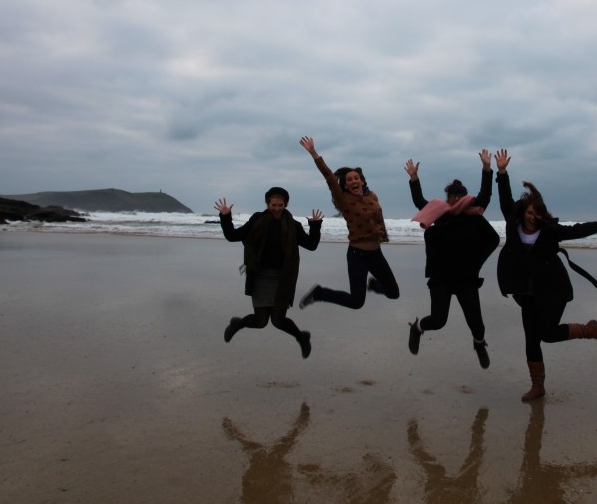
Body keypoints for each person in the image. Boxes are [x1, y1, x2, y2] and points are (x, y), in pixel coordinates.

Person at [494, 149, 597, 401]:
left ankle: (589, 330)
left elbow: (577, 230)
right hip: (526, 292)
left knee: (546, 333)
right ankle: (538, 386)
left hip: (553, 290)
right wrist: (501, 173)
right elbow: (504, 200)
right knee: (531, 339)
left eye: (537, 214)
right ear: (524, 212)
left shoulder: (549, 231)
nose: (533, 218)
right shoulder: (514, 224)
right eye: (530, 213)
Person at [405, 150, 500, 368]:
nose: (455, 199)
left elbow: (485, 195)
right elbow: (420, 201)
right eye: (452, 196)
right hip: (442, 278)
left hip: (466, 278)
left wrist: (487, 169)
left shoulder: (474, 217)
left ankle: (479, 343)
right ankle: (417, 329)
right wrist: (414, 178)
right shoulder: (441, 215)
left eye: (459, 196)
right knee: (438, 321)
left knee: (477, 324)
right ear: (448, 199)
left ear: (466, 198)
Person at [214, 187, 323, 358]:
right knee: (261, 321)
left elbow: (311, 245)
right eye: (273, 205)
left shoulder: (293, 225)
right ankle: (237, 324)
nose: (277, 209)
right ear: (267, 204)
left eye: (280, 205)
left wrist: (315, 226)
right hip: (260, 277)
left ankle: (302, 337)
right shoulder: (257, 220)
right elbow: (232, 236)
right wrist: (225, 217)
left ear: (285, 205)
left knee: (278, 321)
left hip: (283, 278)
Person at [297, 136, 400, 309]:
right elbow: (329, 177)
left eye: (356, 178)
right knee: (356, 302)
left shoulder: (372, 196)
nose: (353, 181)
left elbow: (378, 220)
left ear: (362, 181)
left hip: (376, 254)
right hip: (357, 255)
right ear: (345, 186)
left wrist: (382, 236)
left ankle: (373, 285)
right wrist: (314, 153)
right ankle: (320, 293)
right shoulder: (343, 200)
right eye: (349, 180)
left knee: (393, 293)